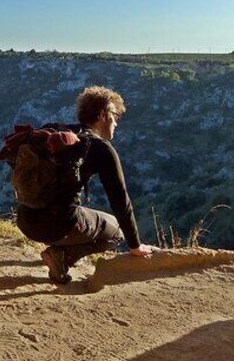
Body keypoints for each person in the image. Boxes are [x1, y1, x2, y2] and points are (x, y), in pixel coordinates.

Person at [16, 85, 158, 284]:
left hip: (25, 220)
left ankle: (58, 246)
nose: (117, 123)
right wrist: (135, 246)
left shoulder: (54, 132)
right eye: (116, 117)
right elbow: (120, 201)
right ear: (103, 115)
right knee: (116, 232)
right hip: (59, 226)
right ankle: (63, 255)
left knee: (68, 211)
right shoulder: (101, 149)